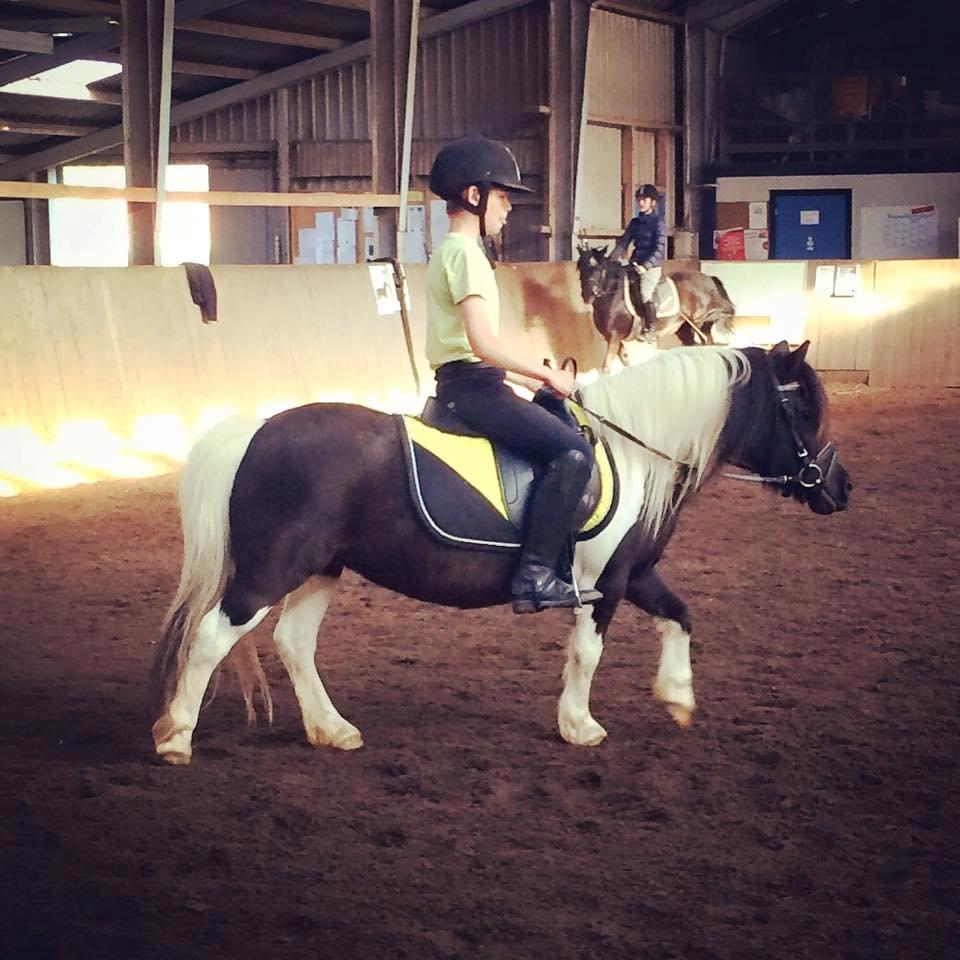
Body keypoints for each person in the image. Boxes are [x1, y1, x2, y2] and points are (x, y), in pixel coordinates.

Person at [426, 136, 602, 614]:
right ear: (474, 196)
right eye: (502, 197)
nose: (508, 209)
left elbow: (474, 350)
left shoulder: (453, 252)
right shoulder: (466, 256)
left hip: (471, 381)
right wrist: (553, 377)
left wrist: (532, 381)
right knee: (572, 451)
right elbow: (483, 345)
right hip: (473, 388)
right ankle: (536, 575)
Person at [611, 184, 666, 342]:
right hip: (634, 264)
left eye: (644, 200)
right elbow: (623, 243)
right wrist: (610, 261)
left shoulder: (658, 224)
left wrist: (646, 266)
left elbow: (659, 249)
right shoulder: (635, 223)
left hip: (651, 267)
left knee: (645, 293)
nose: (641, 203)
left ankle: (651, 329)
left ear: (653, 202)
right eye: (639, 199)